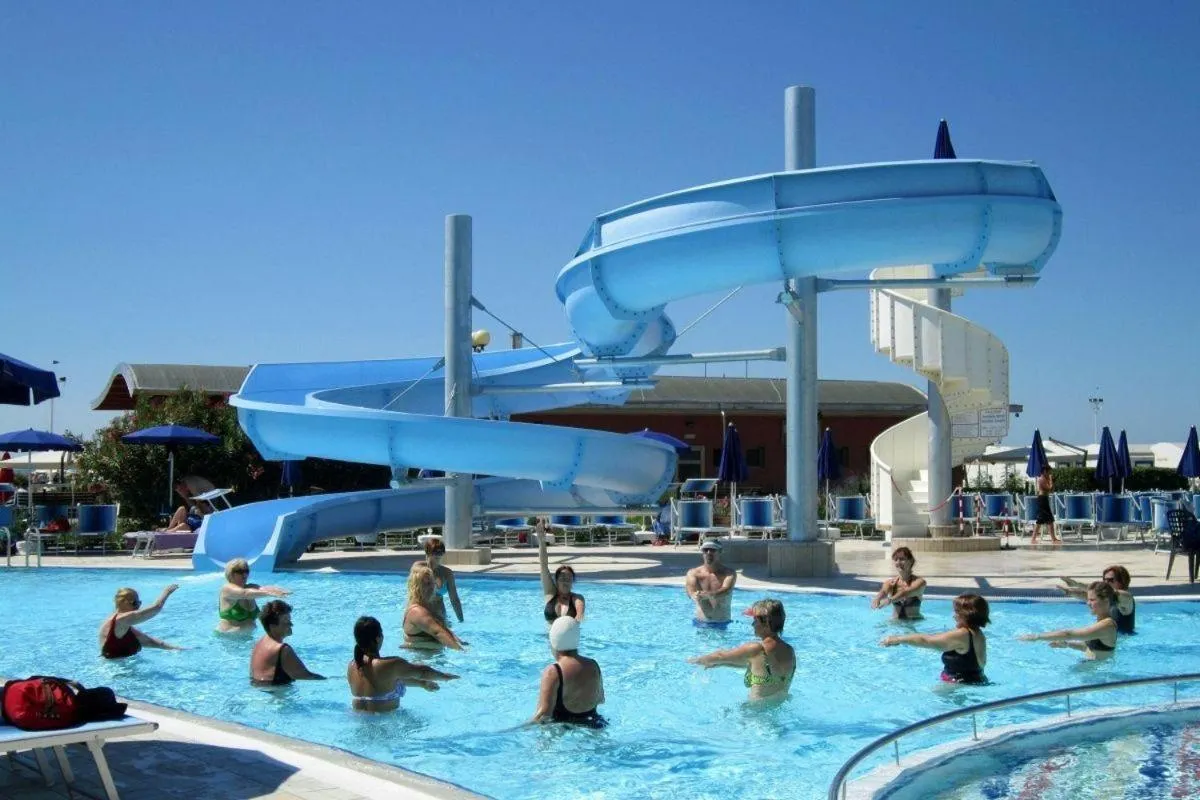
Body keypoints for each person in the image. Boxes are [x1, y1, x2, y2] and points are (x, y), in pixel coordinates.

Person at [688, 599, 796, 702]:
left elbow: (720, 655)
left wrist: (695, 660)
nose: (752, 624)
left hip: (755, 715)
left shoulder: (756, 649)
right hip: (778, 711)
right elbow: (760, 669)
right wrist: (722, 664)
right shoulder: (790, 651)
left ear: (766, 623)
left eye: (755, 620)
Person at [347, 616, 458, 712]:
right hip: (385, 726)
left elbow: (386, 682)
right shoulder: (391, 665)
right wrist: (446, 677)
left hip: (358, 719)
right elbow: (423, 672)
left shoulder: (352, 666)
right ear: (378, 638)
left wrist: (422, 684)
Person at [881, 593, 990, 684]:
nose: (954, 616)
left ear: (967, 614)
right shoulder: (977, 633)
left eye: (957, 612)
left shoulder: (962, 634)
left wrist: (898, 639)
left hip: (959, 687)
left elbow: (926, 641)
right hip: (976, 682)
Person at [529, 617, 606, 728]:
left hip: (564, 731)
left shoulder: (553, 672)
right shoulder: (593, 665)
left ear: (553, 641)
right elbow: (601, 699)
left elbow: (543, 716)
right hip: (595, 725)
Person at [1020, 581, 1118, 660]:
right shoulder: (1101, 622)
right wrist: (1067, 644)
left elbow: (1068, 634)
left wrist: (1037, 637)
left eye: (1092, 600)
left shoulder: (1107, 625)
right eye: (1088, 599)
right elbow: (1089, 648)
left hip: (1098, 676)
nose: (1088, 603)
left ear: (1106, 600)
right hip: (1092, 672)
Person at [250, 600, 325, 685]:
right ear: (273, 626)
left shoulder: (259, 643)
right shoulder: (282, 649)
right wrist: (330, 679)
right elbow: (305, 676)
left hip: (259, 689)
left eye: (289, 619)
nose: (291, 624)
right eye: (286, 621)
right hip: (278, 692)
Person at [98, 585, 183, 659]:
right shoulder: (120, 620)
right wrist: (166, 592)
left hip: (119, 669)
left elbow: (150, 642)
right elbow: (155, 608)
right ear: (123, 602)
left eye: (139, 603)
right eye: (135, 603)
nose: (138, 607)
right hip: (115, 672)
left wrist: (178, 648)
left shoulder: (123, 626)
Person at [218, 558, 291, 633]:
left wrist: (278, 590)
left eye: (246, 571)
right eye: (239, 571)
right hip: (227, 639)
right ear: (230, 574)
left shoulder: (250, 587)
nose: (244, 575)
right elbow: (244, 593)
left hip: (247, 639)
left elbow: (263, 588)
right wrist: (268, 593)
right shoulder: (226, 589)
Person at [403, 563, 466, 650]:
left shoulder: (428, 608)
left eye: (432, 583)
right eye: (426, 584)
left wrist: (460, 642)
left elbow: (444, 631)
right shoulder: (417, 611)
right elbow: (438, 633)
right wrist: (463, 652)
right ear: (415, 587)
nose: (431, 587)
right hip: (422, 660)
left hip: (433, 659)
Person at [1059, 565, 1135, 633]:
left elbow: (1103, 591)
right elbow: (1086, 596)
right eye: (1104, 580)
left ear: (1122, 582)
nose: (1106, 583)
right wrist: (1068, 592)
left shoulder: (1127, 598)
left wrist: (1076, 584)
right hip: (1107, 638)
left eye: (1110, 580)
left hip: (1123, 640)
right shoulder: (1106, 599)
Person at [537, 520, 585, 623]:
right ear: (557, 581)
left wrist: (579, 614)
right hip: (548, 638)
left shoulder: (577, 597)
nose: (566, 580)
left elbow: (579, 606)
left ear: (572, 582)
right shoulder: (550, 594)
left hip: (571, 638)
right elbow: (543, 566)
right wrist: (541, 541)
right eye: (562, 578)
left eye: (569, 578)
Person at [685, 540, 737, 627]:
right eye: (705, 550)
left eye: (713, 550)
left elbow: (726, 590)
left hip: (722, 623)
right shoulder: (693, 573)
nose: (709, 552)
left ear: (720, 551)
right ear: (702, 552)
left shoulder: (729, 573)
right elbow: (690, 590)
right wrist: (694, 595)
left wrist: (708, 595)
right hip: (700, 623)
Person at [415, 535, 463, 625]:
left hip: (440, 615)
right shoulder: (418, 567)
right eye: (435, 551)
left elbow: (454, 599)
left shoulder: (447, 573)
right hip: (421, 615)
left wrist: (461, 620)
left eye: (441, 551)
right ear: (428, 552)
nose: (439, 554)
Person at [870, 546, 926, 620]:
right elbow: (883, 591)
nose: (898, 562)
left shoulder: (919, 582)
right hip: (895, 623)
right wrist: (877, 599)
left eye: (902, 559)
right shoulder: (890, 583)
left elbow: (905, 592)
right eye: (896, 560)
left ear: (911, 561)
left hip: (913, 624)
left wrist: (889, 600)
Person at [1031, 467, 1060, 544]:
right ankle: (1053, 539)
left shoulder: (1045, 478)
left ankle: (1033, 539)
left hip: (1044, 499)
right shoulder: (1041, 479)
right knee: (1049, 519)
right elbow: (1049, 488)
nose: (1049, 473)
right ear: (1044, 471)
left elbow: (1052, 490)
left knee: (1040, 520)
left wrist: (1052, 481)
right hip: (1042, 499)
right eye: (1049, 472)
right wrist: (1051, 480)